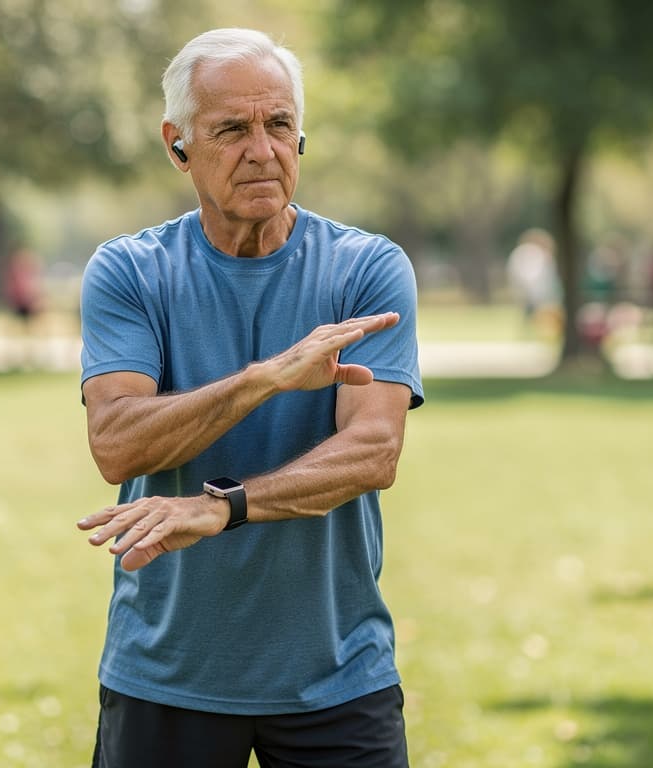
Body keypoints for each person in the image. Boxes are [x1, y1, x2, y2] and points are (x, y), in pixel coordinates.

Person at [75, 27, 424, 768]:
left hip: (337, 678)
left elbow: (372, 452)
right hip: (167, 677)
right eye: (232, 129)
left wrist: (219, 506)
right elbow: (116, 444)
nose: (262, 150)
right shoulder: (131, 272)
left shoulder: (365, 270)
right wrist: (268, 376)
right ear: (178, 144)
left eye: (280, 125)